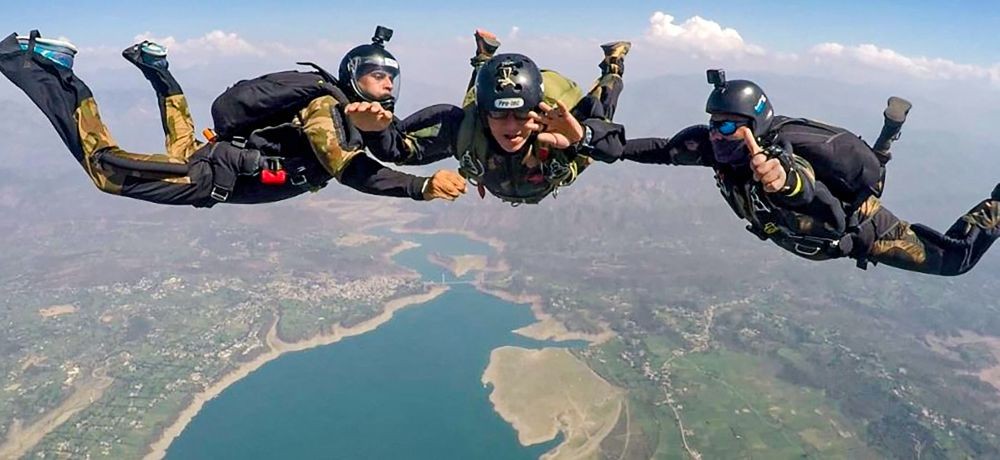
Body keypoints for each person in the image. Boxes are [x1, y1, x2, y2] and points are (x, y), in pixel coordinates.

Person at [0, 28, 466, 208]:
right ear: (352, 76)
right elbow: (347, 168)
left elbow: (400, 142)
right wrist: (418, 187)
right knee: (105, 171)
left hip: (215, 165)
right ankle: (49, 72)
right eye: (375, 74)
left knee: (182, 142)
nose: (386, 84)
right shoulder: (328, 108)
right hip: (210, 177)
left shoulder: (359, 120)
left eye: (391, 77)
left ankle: (156, 67)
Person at [622, 69, 999, 276]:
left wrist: (782, 182)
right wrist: (593, 142)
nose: (718, 134)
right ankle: (883, 143)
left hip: (861, 225)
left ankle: (995, 207)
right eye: (713, 123)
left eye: (729, 125)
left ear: (756, 126)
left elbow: (803, 186)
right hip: (809, 234)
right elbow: (661, 149)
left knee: (955, 262)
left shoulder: (778, 157)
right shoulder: (717, 151)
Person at [346, 30, 630, 205]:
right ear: (486, 115)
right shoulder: (465, 128)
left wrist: (581, 138)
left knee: (600, 113)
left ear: (538, 110)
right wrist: (375, 130)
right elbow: (399, 151)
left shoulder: (561, 129)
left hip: (551, 159)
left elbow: (611, 146)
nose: (511, 127)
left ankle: (613, 64)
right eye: (499, 114)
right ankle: (483, 61)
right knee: (472, 107)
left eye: (521, 114)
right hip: (491, 139)